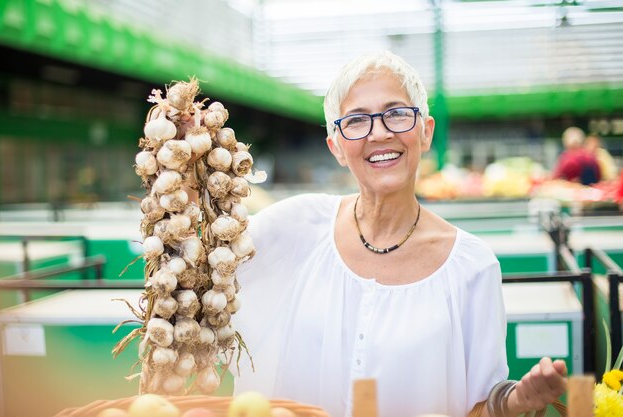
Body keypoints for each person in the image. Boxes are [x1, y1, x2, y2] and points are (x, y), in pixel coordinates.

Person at [231, 51, 567, 417]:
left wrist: (515, 401)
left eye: (396, 114)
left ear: (425, 132)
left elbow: (479, 406)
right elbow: (200, 271)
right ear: (337, 148)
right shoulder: (295, 226)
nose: (379, 132)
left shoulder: (472, 266)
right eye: (357, 120)